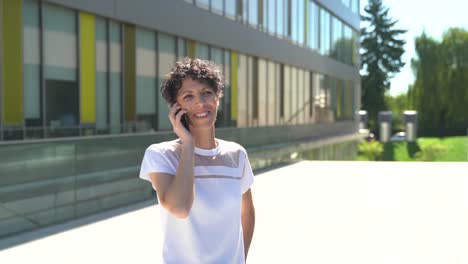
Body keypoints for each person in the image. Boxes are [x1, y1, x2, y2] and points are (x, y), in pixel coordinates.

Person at [139, 58, 255, 264]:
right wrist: (188, 144)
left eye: (206, 93)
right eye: (188, 96)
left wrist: (241, 259)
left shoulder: (236, 154)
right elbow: (180, 207)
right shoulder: (161, 155)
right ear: (177, 107)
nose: (200, 103)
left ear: (217, 98)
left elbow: (246, 213)